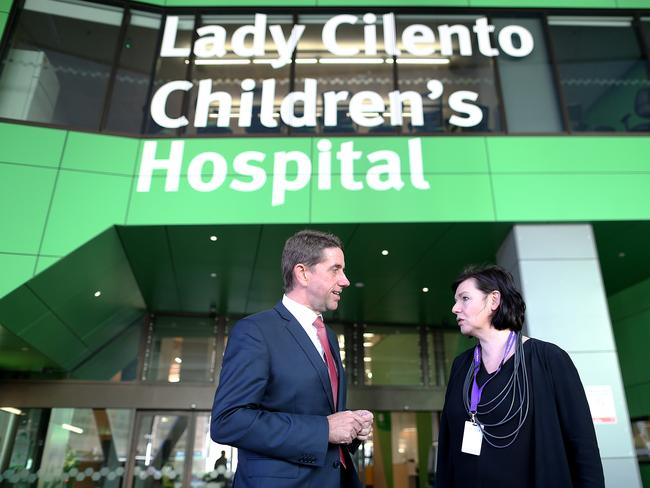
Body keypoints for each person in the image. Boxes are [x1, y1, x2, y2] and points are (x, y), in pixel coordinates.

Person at [211, 229, 373, 488]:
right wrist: (324, 429)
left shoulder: (328, 336)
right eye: (335, 269)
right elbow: (228, 421)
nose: (345, 280)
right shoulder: (256, 331)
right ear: (303, 273)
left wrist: (351, 429)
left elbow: (322, 419)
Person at [436, 265, 604, 487]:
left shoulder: (548, 359)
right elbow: (448, 448)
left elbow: (582, 444)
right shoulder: (461, 366)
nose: (455, 308)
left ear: (493, 301)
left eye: (464, 298)